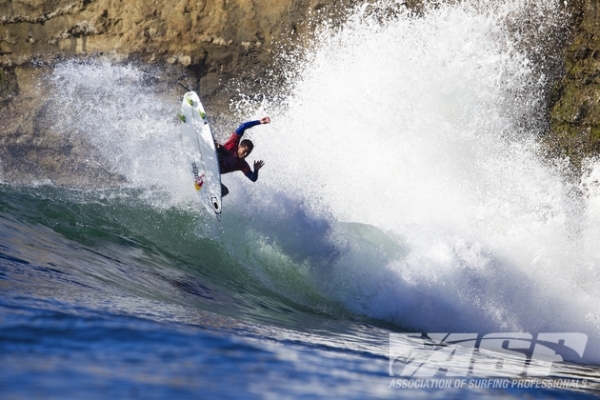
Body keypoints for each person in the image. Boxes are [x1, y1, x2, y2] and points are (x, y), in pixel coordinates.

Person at [216, 116, 271, 197]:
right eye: (244, 151)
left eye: (248, 153)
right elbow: (243, 126)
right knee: (223, 151)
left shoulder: (242, 164)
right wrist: (259, 122)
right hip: (212, 158)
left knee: (224, 191)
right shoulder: (233, 143)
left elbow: (253, 178)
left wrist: (255, 170)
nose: (245, 154)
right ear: (239, 147)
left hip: (214, 172)